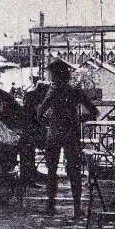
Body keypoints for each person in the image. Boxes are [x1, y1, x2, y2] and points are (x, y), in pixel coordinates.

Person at [38, 59, 98, 217]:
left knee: (51, 171)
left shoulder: (52, 91)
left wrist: (48, 121)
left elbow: (39, 112)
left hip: (54, 133)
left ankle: (51, 206)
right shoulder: (74, 91)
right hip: (71, 133)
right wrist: (80, 120)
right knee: (74, 172)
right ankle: (77, 208)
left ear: (54, 75)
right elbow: (93, 111)